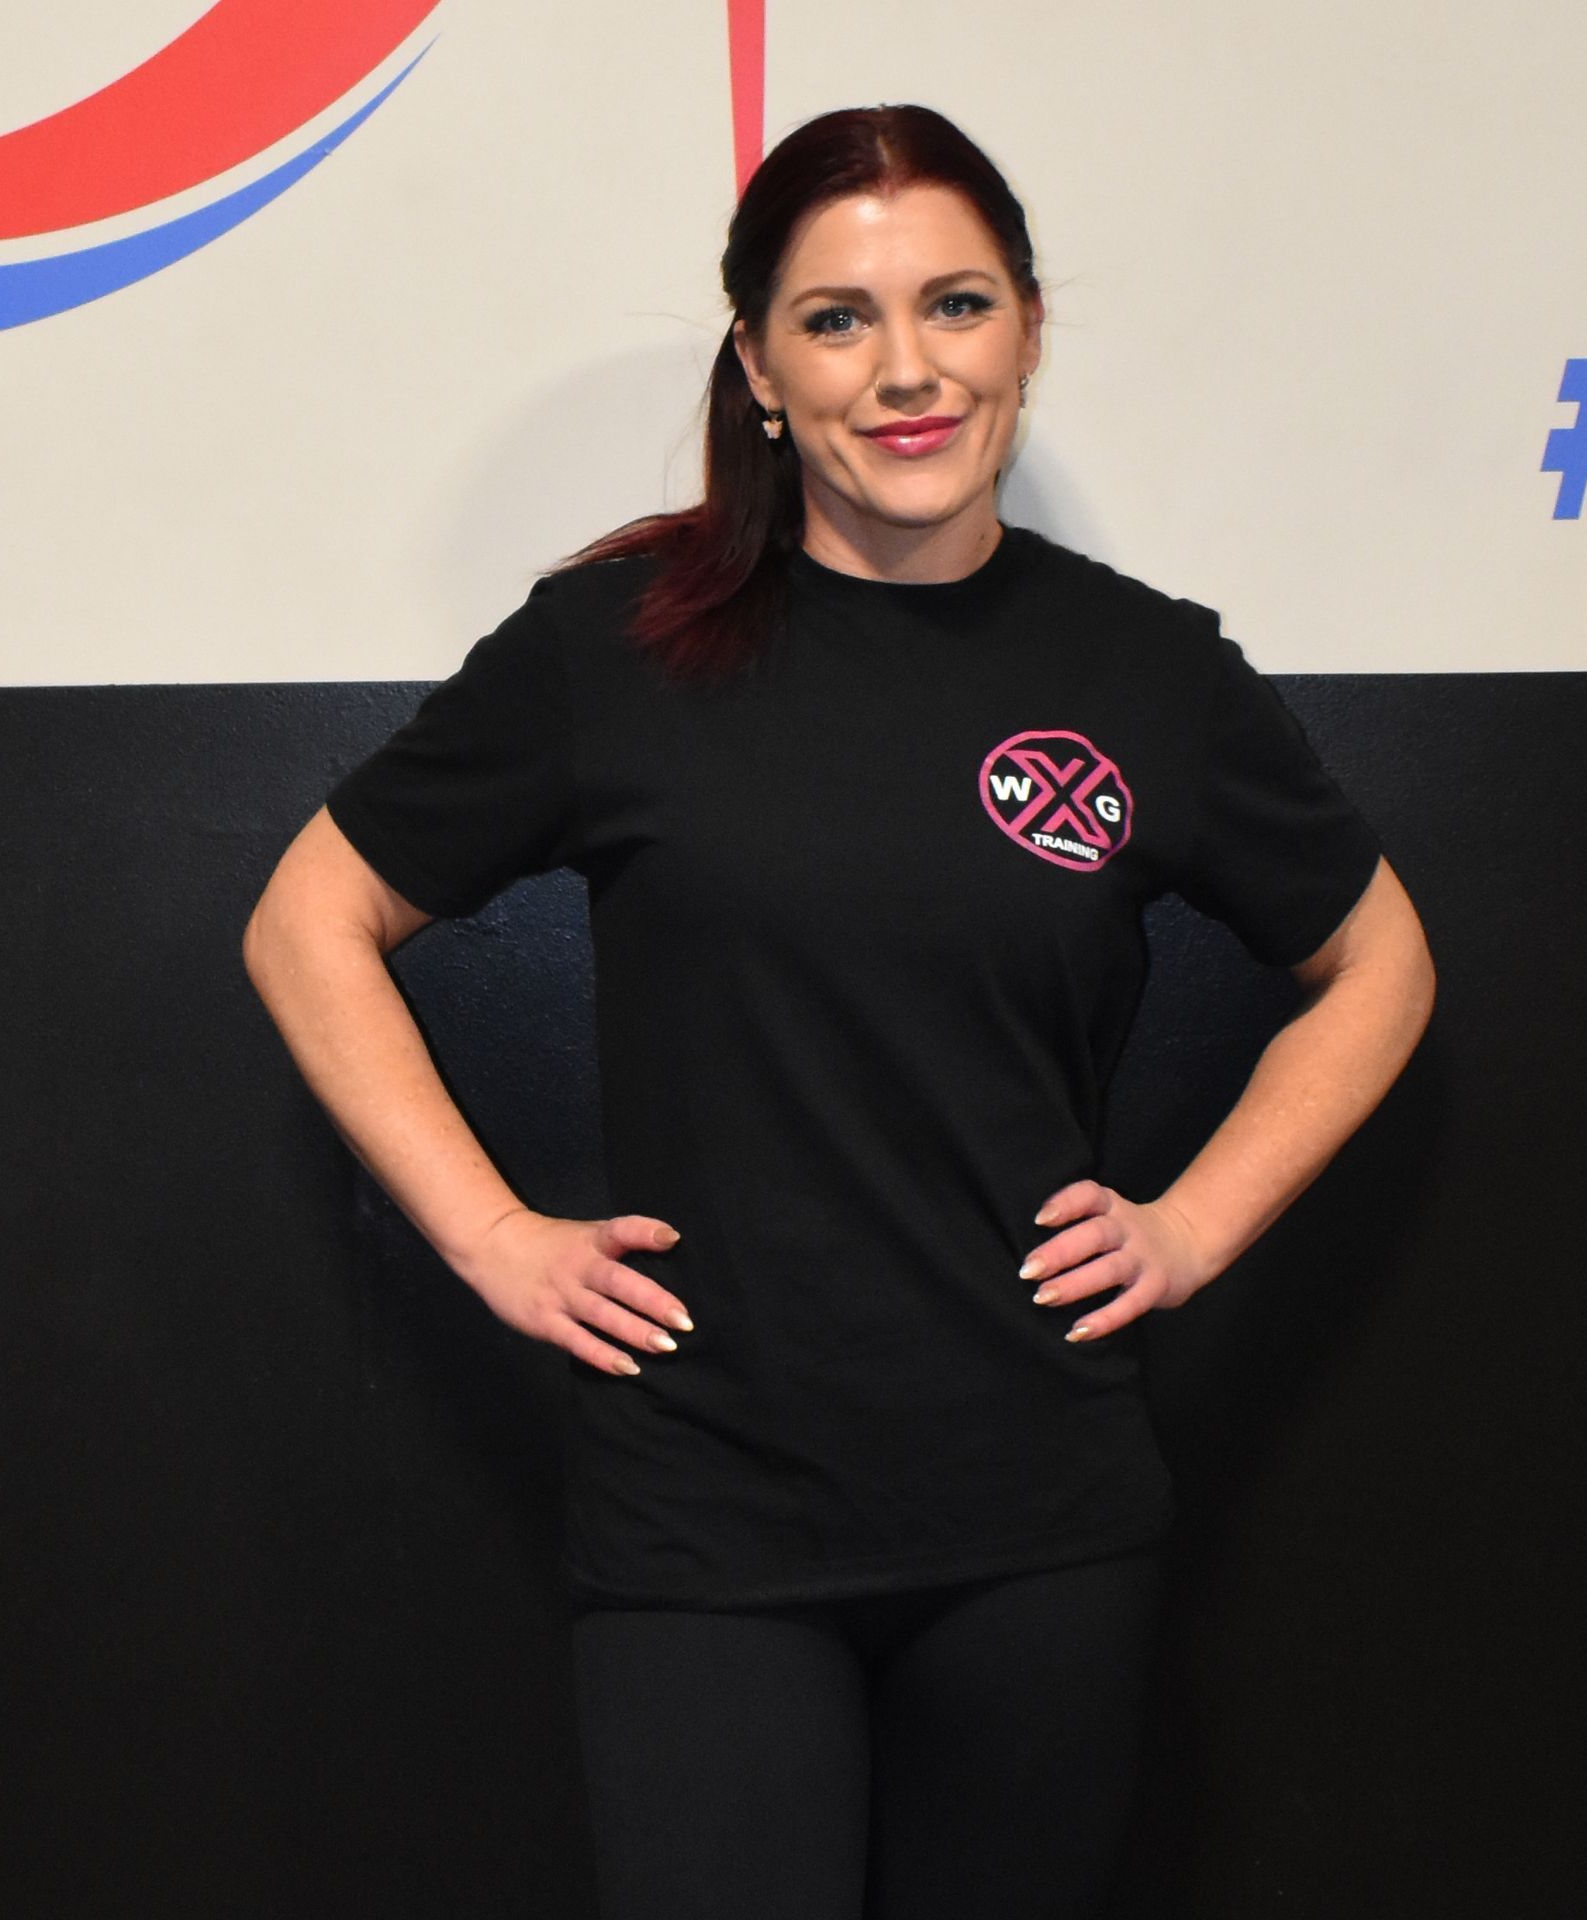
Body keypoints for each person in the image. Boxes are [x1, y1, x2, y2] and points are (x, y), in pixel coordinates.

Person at [243, 102, 1435, 1920]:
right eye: (837, 319)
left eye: (955, 304)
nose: (907, 371)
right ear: (760, 366)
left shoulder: (1148, 671)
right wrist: (489, 1234)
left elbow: (1383, 961)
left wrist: (1194, 1225)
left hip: (1039, 1517)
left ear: (1027, 327)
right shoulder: (611, 654)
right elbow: (307, 919)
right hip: (707, 1514)